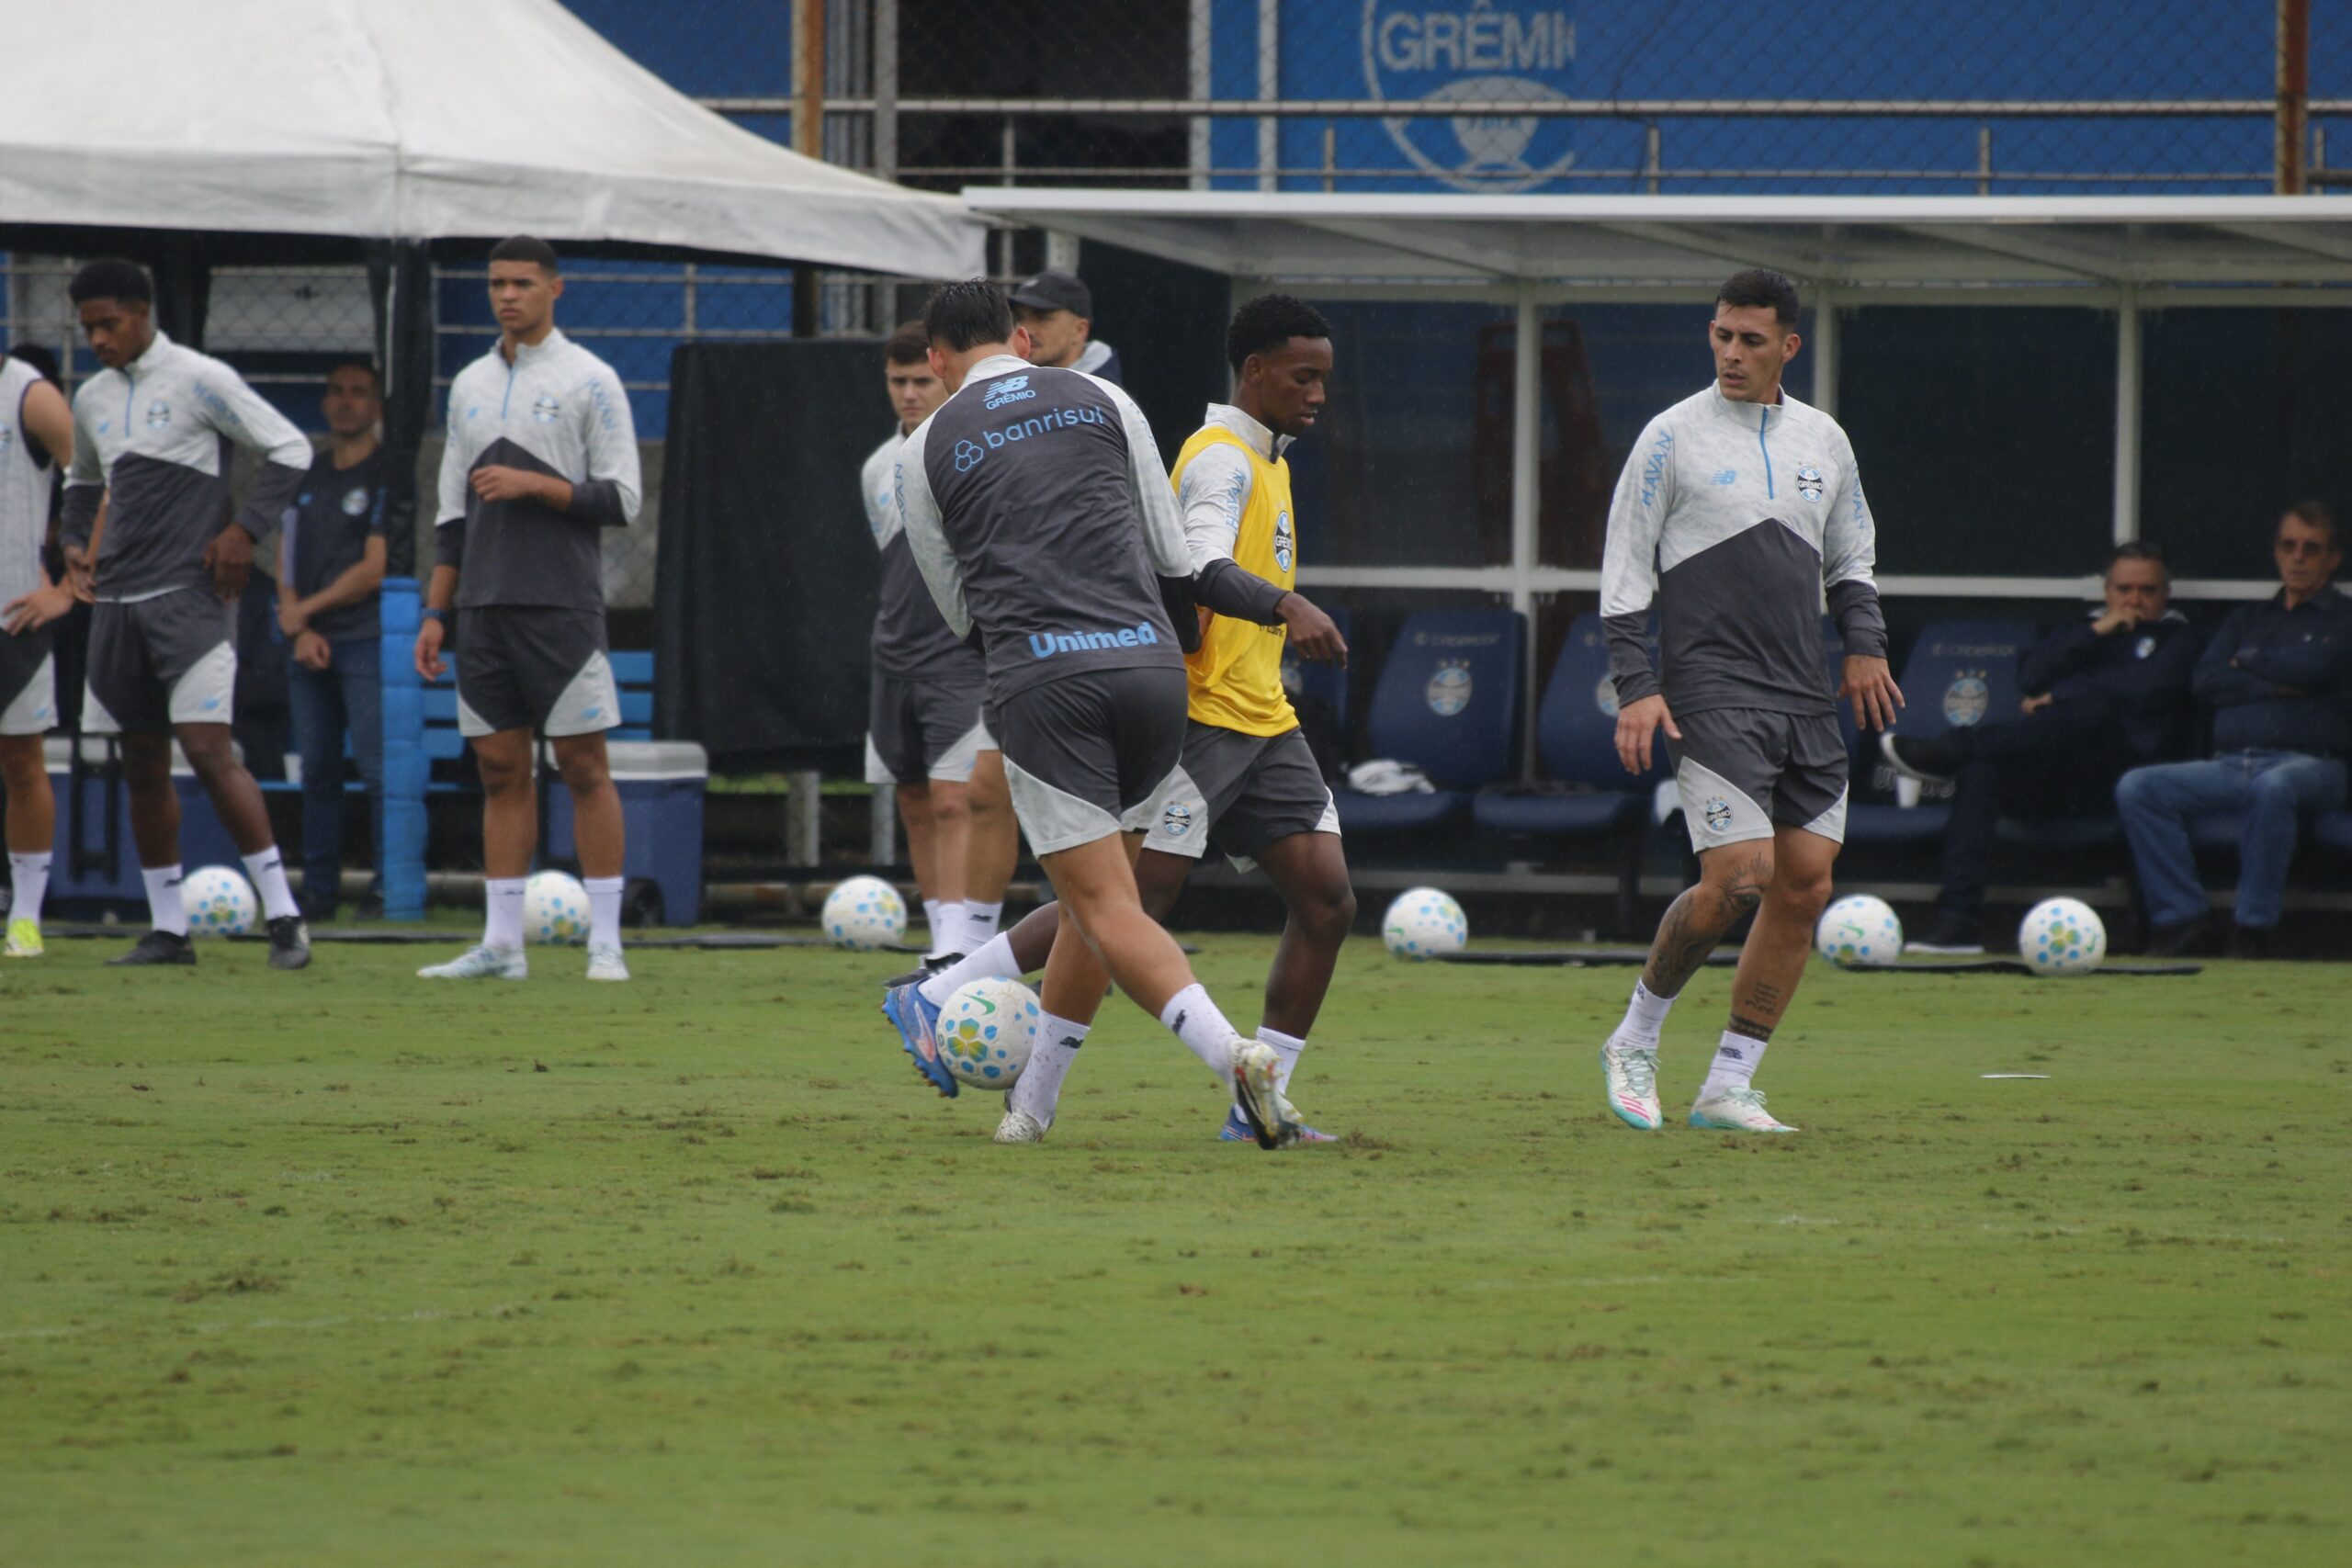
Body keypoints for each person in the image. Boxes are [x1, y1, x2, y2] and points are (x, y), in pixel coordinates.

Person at [903, 293, 1355, 1144]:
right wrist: (1283, 604)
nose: (1319, 393)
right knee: (1113, 907)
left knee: (1324, 899)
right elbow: (1187, 560)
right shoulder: (1208, 453)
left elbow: (961, 610)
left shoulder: (931, 444)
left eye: (1324, 378)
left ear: (935, 360)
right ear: (1028, 341)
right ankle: (1002, 1062)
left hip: (1258, 716)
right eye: (1305, 377)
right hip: (1185, 712)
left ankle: (1259, 1105)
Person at [1599, 268, 1902, 1134]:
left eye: (1752, 340)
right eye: (1721, 336)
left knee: (1804, 888)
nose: (1733, 353)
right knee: (1739, 878)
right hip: (1710, 690)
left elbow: (1853, 558)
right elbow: (1623, 569)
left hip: (1804, 694)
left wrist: (1864, 647)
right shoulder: (1670, 437)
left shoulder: (1824, 441)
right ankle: (1635, 1036)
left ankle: (1728, 1084)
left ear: (1788, 346)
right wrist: (1637, 687)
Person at [56, 258, 315, 969]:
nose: (99, 339)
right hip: (114, 606)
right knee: (141, 764)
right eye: (88, 329)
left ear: (143, 312)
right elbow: (82, 480)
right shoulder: (93, 399)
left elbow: (290, 448)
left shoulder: (202, 379)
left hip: (190, 600)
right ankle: (169, 929)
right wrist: (76, 540)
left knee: (207, 751)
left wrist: (244, 531)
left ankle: (286, 917)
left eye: (109, 324)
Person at [414, 237, 640, 983]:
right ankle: (502, 944)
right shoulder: (471, 382)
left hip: (561, 607)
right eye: (496, 283)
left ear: (554, 289)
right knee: (500, 770)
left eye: (521, 282)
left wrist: (534, 484)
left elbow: (623, 497)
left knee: (582, 765)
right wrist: (435, 612)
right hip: (480, 608)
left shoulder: (591, 379)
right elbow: (451, 510)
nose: (507, 295)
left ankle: (605, 940)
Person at [1883, 542, 2198, 953]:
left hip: (2122, 777)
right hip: (2053, 773)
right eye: (2124, 590)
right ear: (2107, 591)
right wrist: (2095, 632)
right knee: (1983, 772)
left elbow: (2147, 688)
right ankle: (1958, 922)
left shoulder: (2182, 638)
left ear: (2165, 593)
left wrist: (2063, 695)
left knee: (2093, 712)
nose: (2134, 600)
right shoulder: (2080, 631)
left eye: (2147, 591)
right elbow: (2032, 676)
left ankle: (1950, 750)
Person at [2115, 503, 2351, 959]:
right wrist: (2286, 681)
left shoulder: (2343, 619)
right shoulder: (2247, 619)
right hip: (2231, 762)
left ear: (2333, 558)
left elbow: (2321, 666)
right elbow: (2206, 681)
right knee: (2139, 786)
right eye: (2288, 546)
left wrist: (2248, 665)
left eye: (2311, 548)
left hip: (2313, 765)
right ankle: (2185, 921)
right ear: (2276, 552)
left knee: (2275, 786)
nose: (2298, 557)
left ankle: (2252, 931)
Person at [862, 322, 991, 960]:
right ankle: (941, 944)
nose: (909, 393)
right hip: (895, 654)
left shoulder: (969, 452)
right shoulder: (874, 469)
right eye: (897, 381)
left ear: (944, 376)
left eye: (921, 380)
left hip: (958, 655)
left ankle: (962, 948)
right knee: (913, 795)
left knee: (953, 797)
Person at [279, 360, 390, 920]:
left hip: (364, 638)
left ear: (377, 407)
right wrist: (296, 623)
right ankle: (319, 892)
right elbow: (286, 554)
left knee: (375, 768)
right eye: (337, 392)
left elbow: (373, 569)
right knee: (318, 769)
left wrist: (307, 612)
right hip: (308, 642)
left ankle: (385, 887)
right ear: (324, 403)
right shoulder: (307, 473)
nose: (346, 402)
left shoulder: (384, 475)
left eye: (359, 393)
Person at [0, 348, 78, 956]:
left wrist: (68, 587)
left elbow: (97, 479)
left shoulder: (29, 393)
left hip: (13, 618)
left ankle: (25, 918)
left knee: (23, 764)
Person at [1010, 269, 1122, 386]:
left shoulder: (1103, 398)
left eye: (1042, 318)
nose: (1026, 330)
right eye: (1019, 318)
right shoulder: (1009, 388)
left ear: (1080, 330)